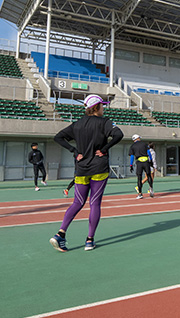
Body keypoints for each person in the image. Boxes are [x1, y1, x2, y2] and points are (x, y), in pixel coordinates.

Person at [49, 94, 123, 252]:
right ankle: (89, 240)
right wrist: (104, 149)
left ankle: (60, 233)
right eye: (102, 105)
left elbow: (58, 137)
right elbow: (119, 135)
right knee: (94, 203)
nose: (104, 108)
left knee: (77, 202)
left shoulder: (77, 124)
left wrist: (74, 151)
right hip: (99, 168)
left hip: (81, 169)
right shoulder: (105, 122)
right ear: (96, 107)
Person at [129, 134, 154, 199]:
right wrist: (151, 161)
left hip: (139, 162)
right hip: (146, 161)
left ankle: (140, 194)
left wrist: (131, 165)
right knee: (148, 175)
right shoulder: (144, 144)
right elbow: (149, 153)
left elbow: (132, 156)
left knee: (139, 178)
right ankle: (151, 188)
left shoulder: (132, 146)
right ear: (138, 138)